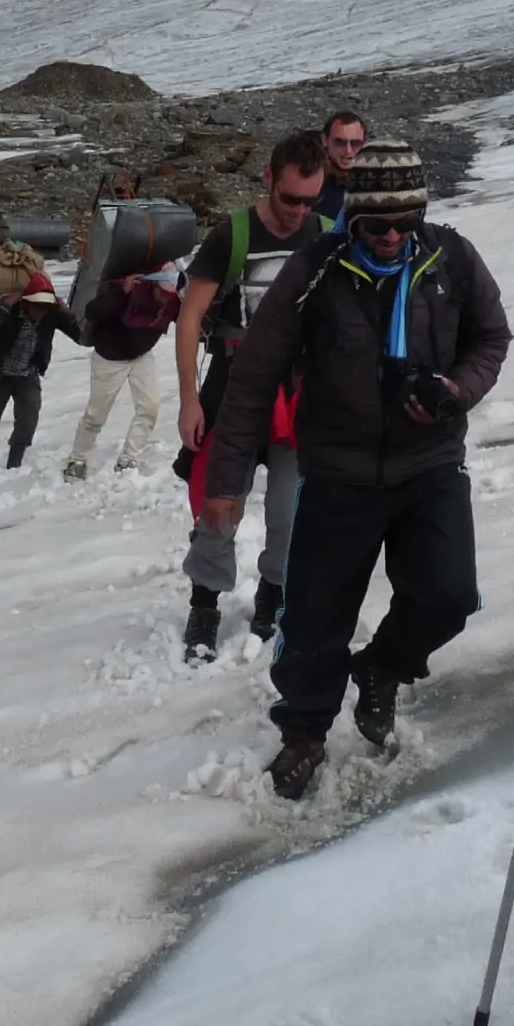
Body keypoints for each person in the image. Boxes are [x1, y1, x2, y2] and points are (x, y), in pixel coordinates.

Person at [203, 139, 512, 799]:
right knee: (314, 620)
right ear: (356, 218)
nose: (394, 237)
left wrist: (455, 390)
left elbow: (490, 338)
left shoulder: (449, 258)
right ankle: (304, 734)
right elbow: (253, 378)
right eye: (378, 225)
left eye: (406, 222)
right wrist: (226, 483)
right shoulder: (317, 269)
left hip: (429, 465)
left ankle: (382, 668)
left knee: (450, 597)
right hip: (339, 473)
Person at [173, 131, 331, 659]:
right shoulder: (233, 234)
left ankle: (273, 597)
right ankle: (204, 606)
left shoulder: (328, 235)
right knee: (218, 504)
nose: (299, 212)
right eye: (290, 199)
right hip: (233, 391)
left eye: (310, 200)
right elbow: (190, 317)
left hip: (299, 397)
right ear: (268, 178)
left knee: (292, 510)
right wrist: (189, 399)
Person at [64, 267, 179, 480]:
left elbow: (188, 320)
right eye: (163, 293)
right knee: (96, 415)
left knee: (150, 407)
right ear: (152, 284)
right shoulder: (128, 292)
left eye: (170, 295)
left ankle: (128, 458)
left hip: (141, 356)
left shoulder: (174, 301)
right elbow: (92, 313)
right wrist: (120, 293)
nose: (165, 299)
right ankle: (77, 459)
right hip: (109, 358)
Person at [0, 274, 82, 476]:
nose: (40, 311)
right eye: (36, 306)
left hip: (27, 374)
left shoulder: (51, 315)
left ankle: (14, 463)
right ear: (25, 302)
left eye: (44, 306)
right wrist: (4, 306)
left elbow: (80, 336)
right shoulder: (8, 313)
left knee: (29, 417)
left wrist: (66, 312)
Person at [314, 110, 369, 225]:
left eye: (355, 143)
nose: (348, 151)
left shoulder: (373, 184)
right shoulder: (309, 178)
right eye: (340, 142)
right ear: (325, 140)